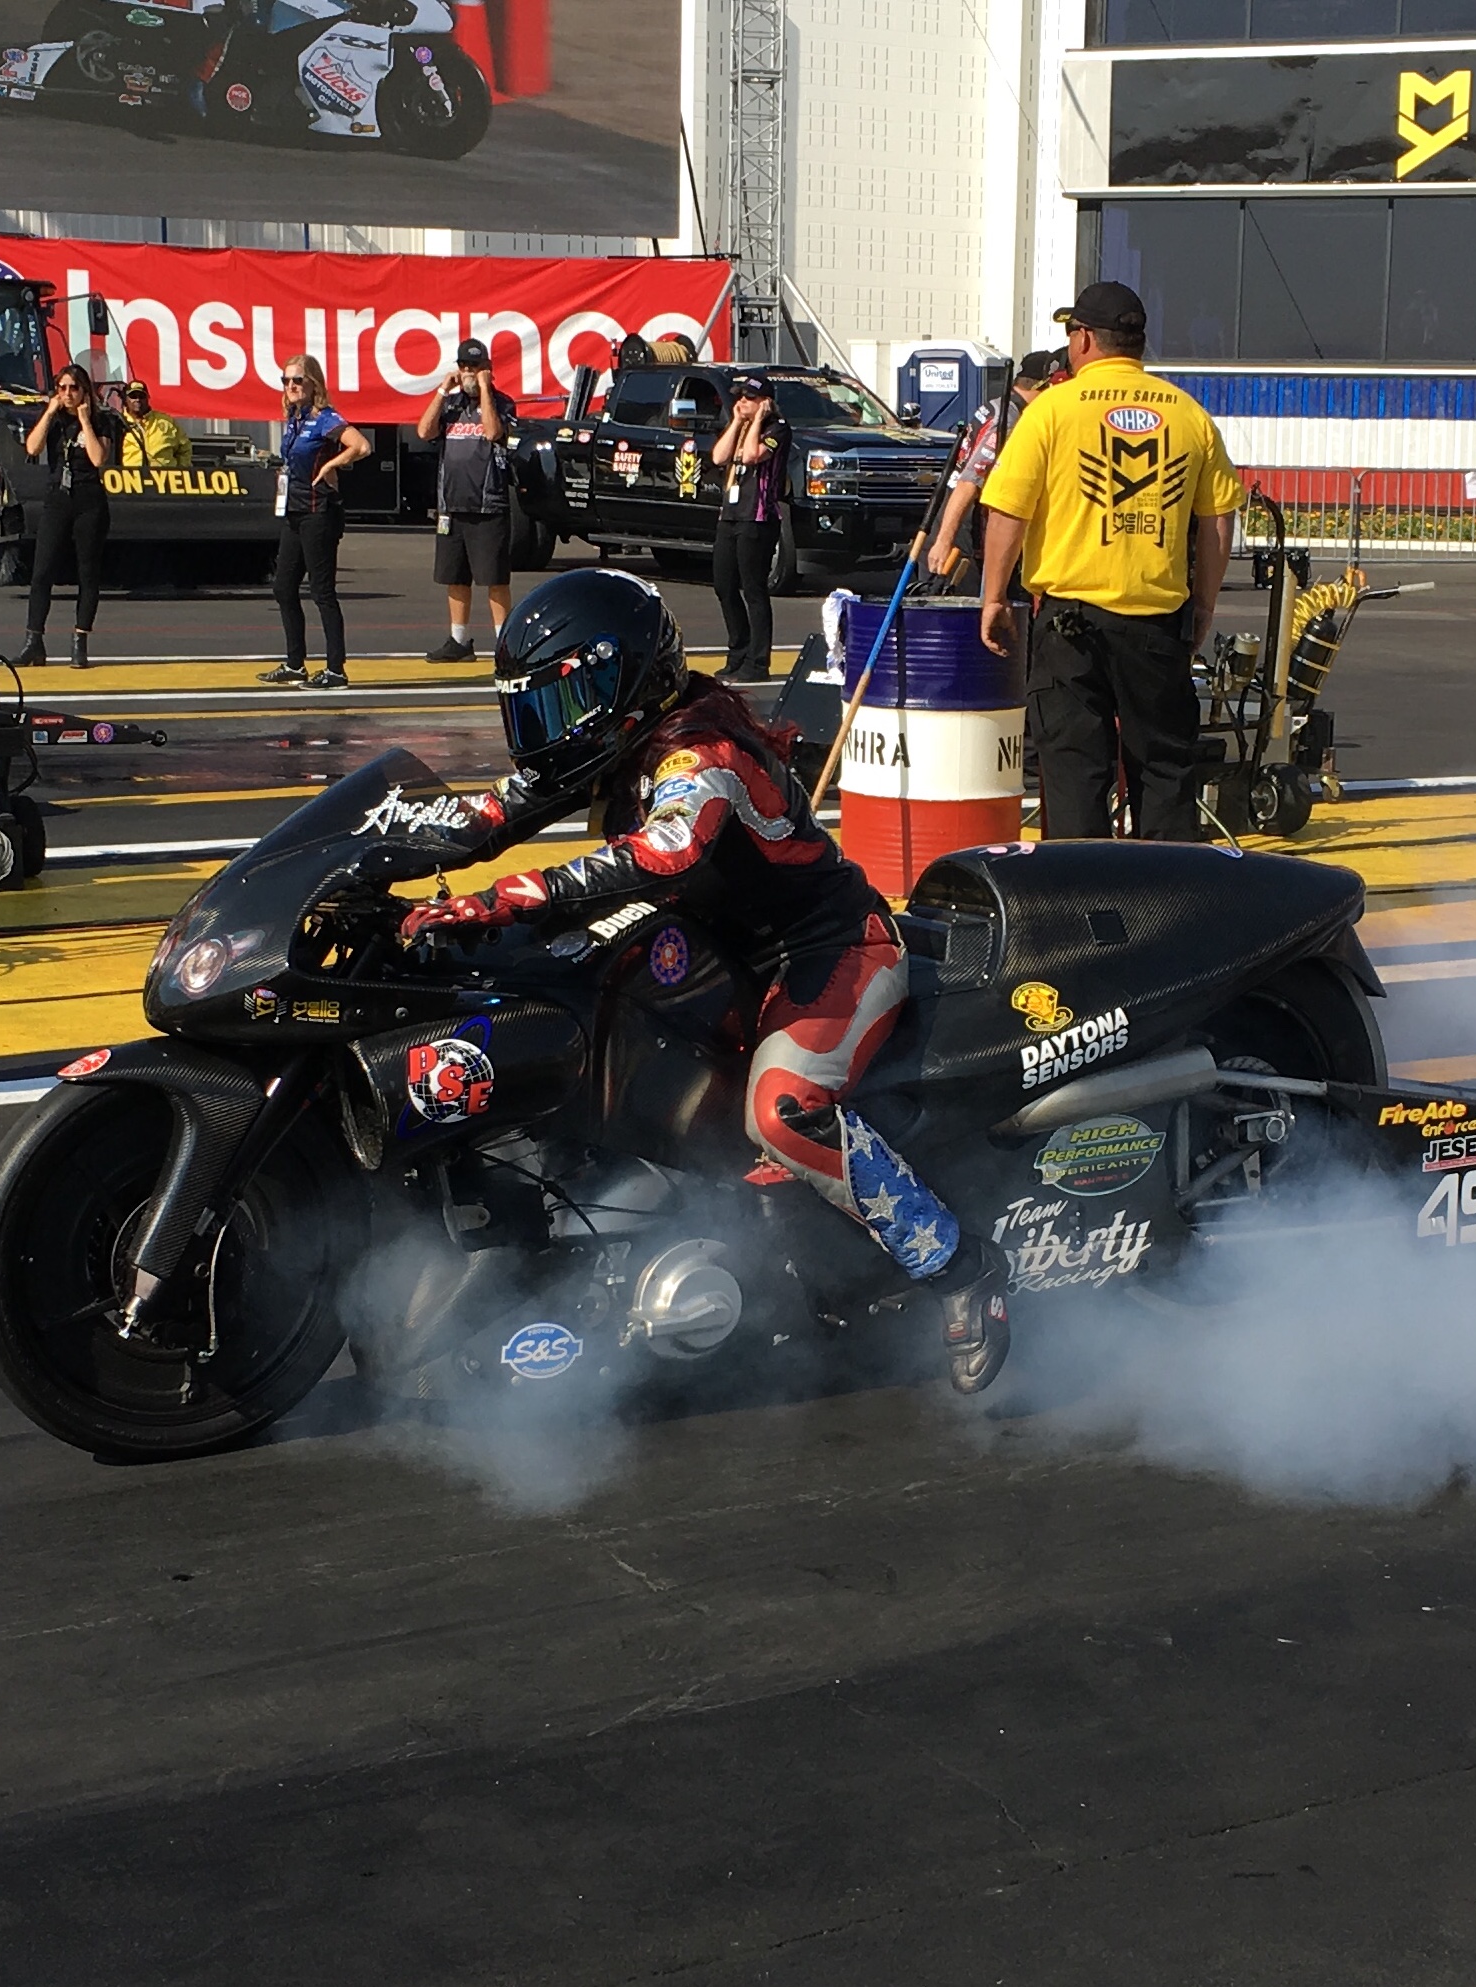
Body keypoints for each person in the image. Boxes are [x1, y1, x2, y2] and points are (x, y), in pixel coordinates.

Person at [389, 569, 1014, 1390]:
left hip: (824, 949)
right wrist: (371, 851)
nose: (548, 730)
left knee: (784, 1109)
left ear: (625, 683)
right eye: (530, 706)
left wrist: (500, 898)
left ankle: (961, 1269)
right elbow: (488, 814)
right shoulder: (606, 741)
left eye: (559, 703)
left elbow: (662, 851)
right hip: (718, 954)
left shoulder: (700, 754)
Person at [978, 281, 1241, 841]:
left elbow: (1007, 510)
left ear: (1084, 339)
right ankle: (1168, 907)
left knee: (1074, 770)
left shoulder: (1052, 409)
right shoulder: (1189, 414)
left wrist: (994, 597)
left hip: (1072, 622)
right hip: (1156, 620)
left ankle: (1082, 910)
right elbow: (1218, 519)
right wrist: (1204, 605)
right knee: (1165, 769)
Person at [257, 352, 369, 690]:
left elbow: (361, 446)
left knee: (322, 591)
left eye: (297, 380)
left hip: (319, 513)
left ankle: (336, 669)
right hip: (294, 510)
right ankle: (295, 663)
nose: (290, 386)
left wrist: (332, 465)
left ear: (313, 383)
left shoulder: (324, 417)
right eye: (286, 380)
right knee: (283, 587)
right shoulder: (293, 417)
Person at [16, 364, 124, 670]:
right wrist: (49, 413)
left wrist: (85, 420)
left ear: (84, 391)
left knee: (87, 573)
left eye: (73, 388)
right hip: (58, 499)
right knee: (41, 572)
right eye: (61, 388)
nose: (66, 394)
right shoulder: (54, 419)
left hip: (89, 501)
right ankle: (33, 642)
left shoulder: (102, 420)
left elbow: (98, 458)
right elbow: (32, 447)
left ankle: (80, 642)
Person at [925, 348, 1064, 583]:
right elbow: (969, 481)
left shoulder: (996, 405)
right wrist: (944, 540)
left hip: (950, 519)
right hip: (962, 535)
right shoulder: (1008, 420)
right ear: (1043, 386)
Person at [417, 337, 512, 663]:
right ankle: (458, 640)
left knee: (493, 578)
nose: (469, 372)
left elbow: (491, 432)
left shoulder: (502, 402)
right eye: (464, 366)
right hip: (451, 504)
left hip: (487, 505)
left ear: (487, 368)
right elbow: (424, 432)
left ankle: (504, 644)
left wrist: (485, 389)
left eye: (476, 366)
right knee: (455, 576)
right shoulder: (452, 405)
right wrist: (443, 390)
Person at [709, 373, 791, 681]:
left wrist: (758, 420)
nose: (742, 402)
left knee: (753, 589)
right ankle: (737, 651)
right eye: (739, 397)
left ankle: (758, 662)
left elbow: (754, 455)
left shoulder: (777, 429)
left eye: (749, 398)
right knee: (724, 585)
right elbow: (719, 456)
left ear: (765, 402)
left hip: (757, 518)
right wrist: (736, 421)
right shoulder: (740, 427)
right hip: (730, 515)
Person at [118, 381, 192, 469]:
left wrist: (180, 471)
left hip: (165, 479)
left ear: (148, 398)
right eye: (133, 396)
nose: (138, 400)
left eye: (142, 396)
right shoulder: (118, 422)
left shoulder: (166, 421)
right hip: (130, 479)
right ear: (126, 399)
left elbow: (185, 448)